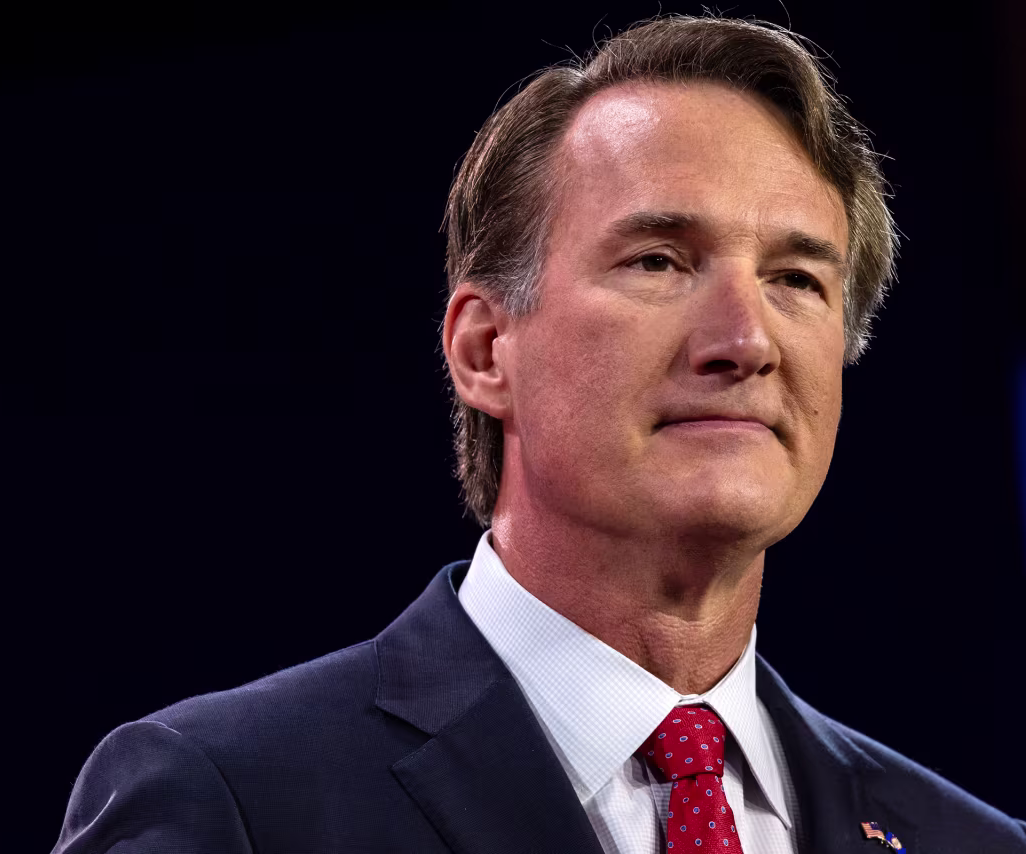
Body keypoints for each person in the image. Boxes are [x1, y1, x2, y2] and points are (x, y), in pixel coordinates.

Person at [50, 16, 1026, 853]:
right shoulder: (234, 798)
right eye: (657, 260)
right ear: (484, 349)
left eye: (796, 280)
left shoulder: (967, 839)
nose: (744, 340)